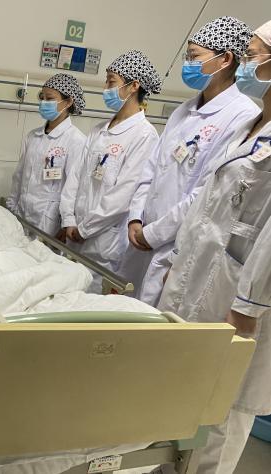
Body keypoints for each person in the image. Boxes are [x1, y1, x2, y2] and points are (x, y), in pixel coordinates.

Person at [157, 21, 271, 474]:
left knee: (224, 413)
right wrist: (176, 258)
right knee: (183, 396)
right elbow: (206, 203)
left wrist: (248, 306)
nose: (244, 64)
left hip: (241, 299)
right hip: (199, 274)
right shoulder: (248, 124)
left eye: (252, 55)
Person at [118, 17, 260, 306]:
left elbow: (206, 193)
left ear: (225, 59)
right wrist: (135, 218)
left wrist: (153, 234)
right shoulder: (183, 110)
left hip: (176, 245)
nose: (188, 64)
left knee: (154, 323)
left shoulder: (241, 115)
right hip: (141, 235)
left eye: (194, 56)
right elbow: (151, 168)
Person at [60, 50, 161, 292]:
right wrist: (69, 219)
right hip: (75, 235)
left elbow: (124, 195)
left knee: (90, 303)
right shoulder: (98, 130)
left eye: (111, 82)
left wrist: (85, 229)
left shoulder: (144, 135)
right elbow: (75, 176)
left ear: (134, 86)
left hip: (103, 244)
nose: (106, 88)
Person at [6, 73, 87, 236]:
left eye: (49, 98)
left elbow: (74, 187)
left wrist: (67, 223)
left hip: (49, 220)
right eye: (42, 97)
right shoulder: (33, 136)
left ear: (68, 102)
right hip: (21, 213)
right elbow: (19, 176)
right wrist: (11, 207)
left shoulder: (76, 140)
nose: (43, 102)